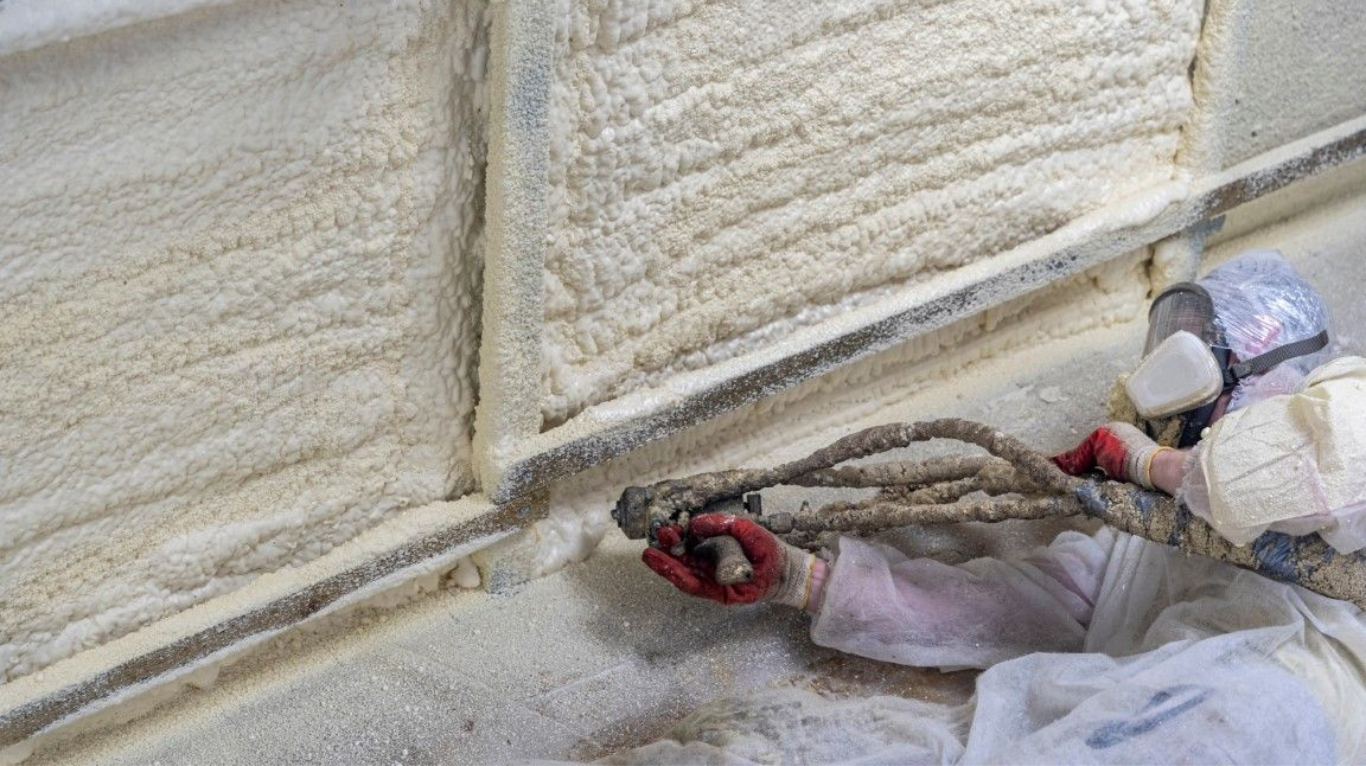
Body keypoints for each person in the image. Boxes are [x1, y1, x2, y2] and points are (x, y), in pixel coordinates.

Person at [638, 251, 1366, 764]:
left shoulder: (1345, 424)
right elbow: (1017, 606)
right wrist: (804, 580)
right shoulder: (1149, 538)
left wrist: (1153, 463)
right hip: (1151, 707)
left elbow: (1300, 473)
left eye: (1203, 353)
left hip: (1287, 712)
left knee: (1230, 714)